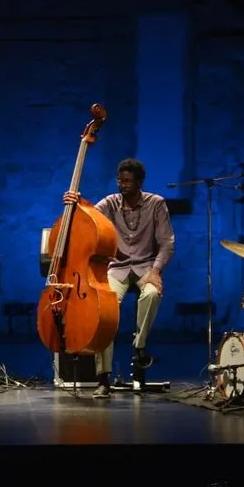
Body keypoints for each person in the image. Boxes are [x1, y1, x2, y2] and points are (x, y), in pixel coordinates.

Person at [63, 158, 175, 398]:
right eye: (120, 181)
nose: (123, 185)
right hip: (117, 267)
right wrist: (76, 202)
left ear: (139, 182)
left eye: (128, 181)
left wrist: (156, 271)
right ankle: (103, 377)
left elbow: (167, 242)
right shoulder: (111, 202)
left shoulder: (156, 203)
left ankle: (139, 347)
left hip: (145, 266)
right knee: (104, 310)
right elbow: (89, 215)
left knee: (152, 294)